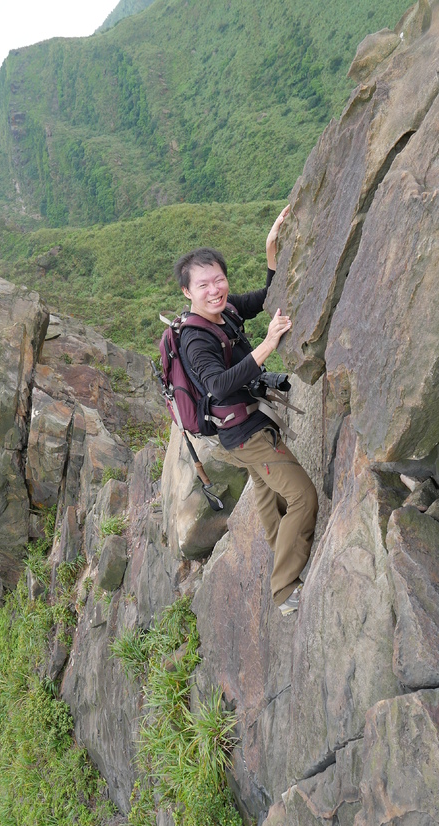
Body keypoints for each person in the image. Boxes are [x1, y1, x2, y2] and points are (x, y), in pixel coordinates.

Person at [173, 206, 318, 615]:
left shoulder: (225, 312)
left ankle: (281, 548)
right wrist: (268, 344)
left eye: (219, 279)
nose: (215, 289)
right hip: (242, 432)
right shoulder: (195, 340)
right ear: (187, 291)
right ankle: (285, 589)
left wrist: (270, 250)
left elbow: (263, 300)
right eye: (203, 285)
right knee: (303, 496)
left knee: (269, 496)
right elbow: (216, 384)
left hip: (246, 422)